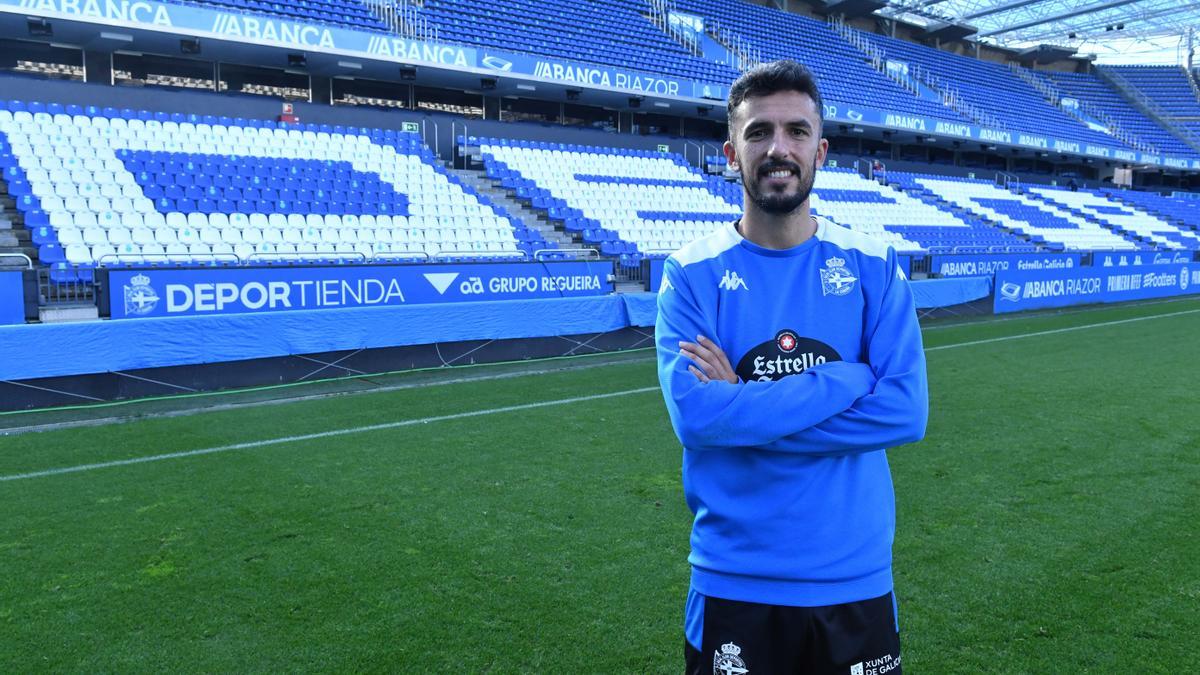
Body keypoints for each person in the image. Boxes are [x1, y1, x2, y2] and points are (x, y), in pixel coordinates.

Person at [655, 60, 929, 675]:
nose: (778, 148)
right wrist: (846, 379)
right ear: (732, 151)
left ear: (821, 149)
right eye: (759, 133)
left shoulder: (874, 267)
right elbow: (699, 420)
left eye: (797, 131)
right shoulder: (688, 275)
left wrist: (744, 408)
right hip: (735, 582)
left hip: (854, 581)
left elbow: (905, 413)